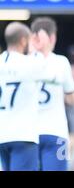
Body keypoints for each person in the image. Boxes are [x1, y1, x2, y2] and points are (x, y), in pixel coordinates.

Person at [0, 22, 64, 171]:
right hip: (24, 135)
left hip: (2, 135)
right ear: (23, 41)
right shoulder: (30, 63)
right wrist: (37, 52)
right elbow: (56, 77)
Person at [30, 17, 74, 171]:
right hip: (56, 133)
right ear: (52, 37)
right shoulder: (61, 62)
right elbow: (73, 100)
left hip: (28, 133)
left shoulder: (24, 62)